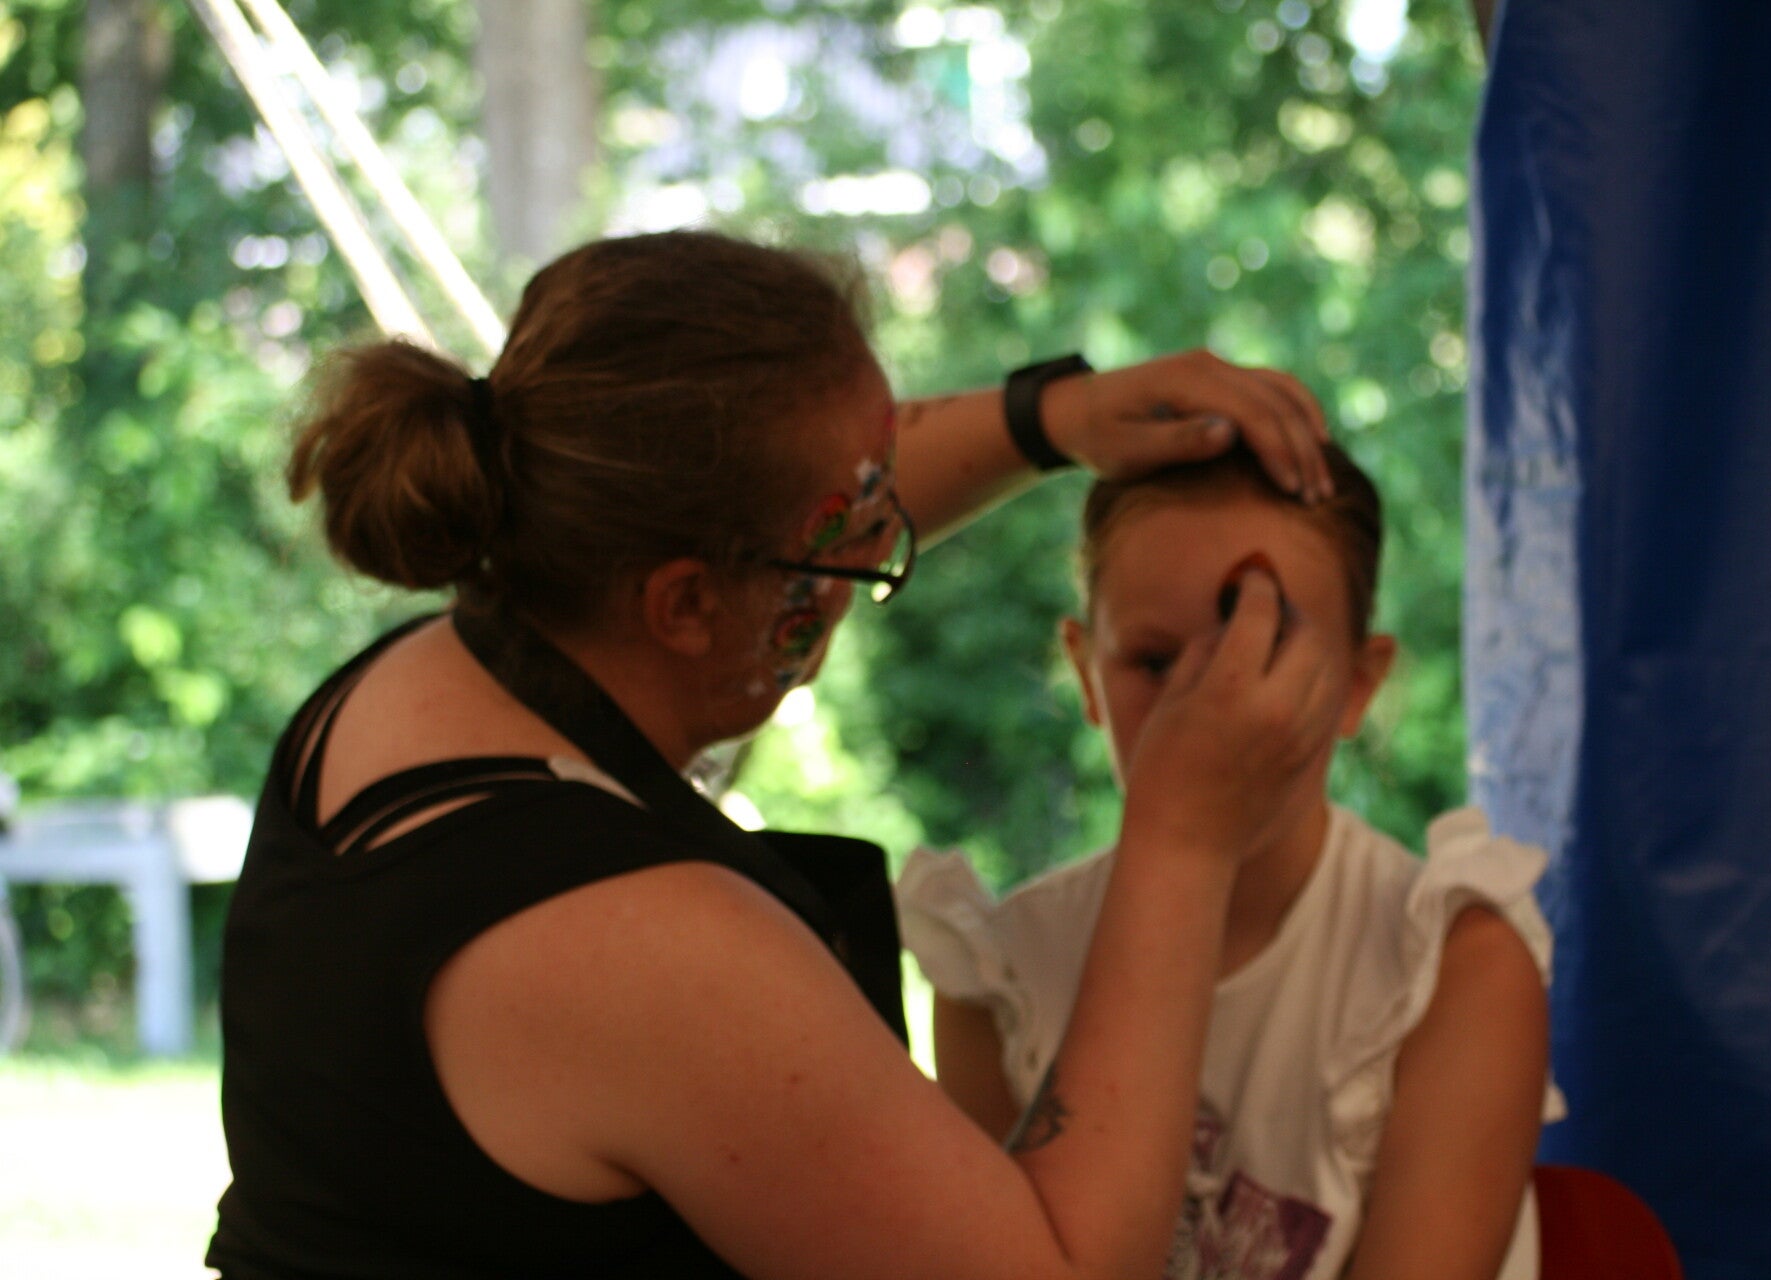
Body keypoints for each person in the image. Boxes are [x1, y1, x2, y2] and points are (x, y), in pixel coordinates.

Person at [204, 228, 1345, 1280]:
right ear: (685, 602)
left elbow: (792, 508)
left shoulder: (415, 690)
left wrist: (1046, 418)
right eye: (856, 550)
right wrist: (1183, 838)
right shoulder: (641, 943)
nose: (879, 549)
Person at [898, 442, 1561, 1280]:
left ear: (1358, 684)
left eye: (1268, 652)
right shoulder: (1003, 979)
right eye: (1154, 662)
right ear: (1086, 672)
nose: (1210, 706)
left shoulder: (1454, 970)